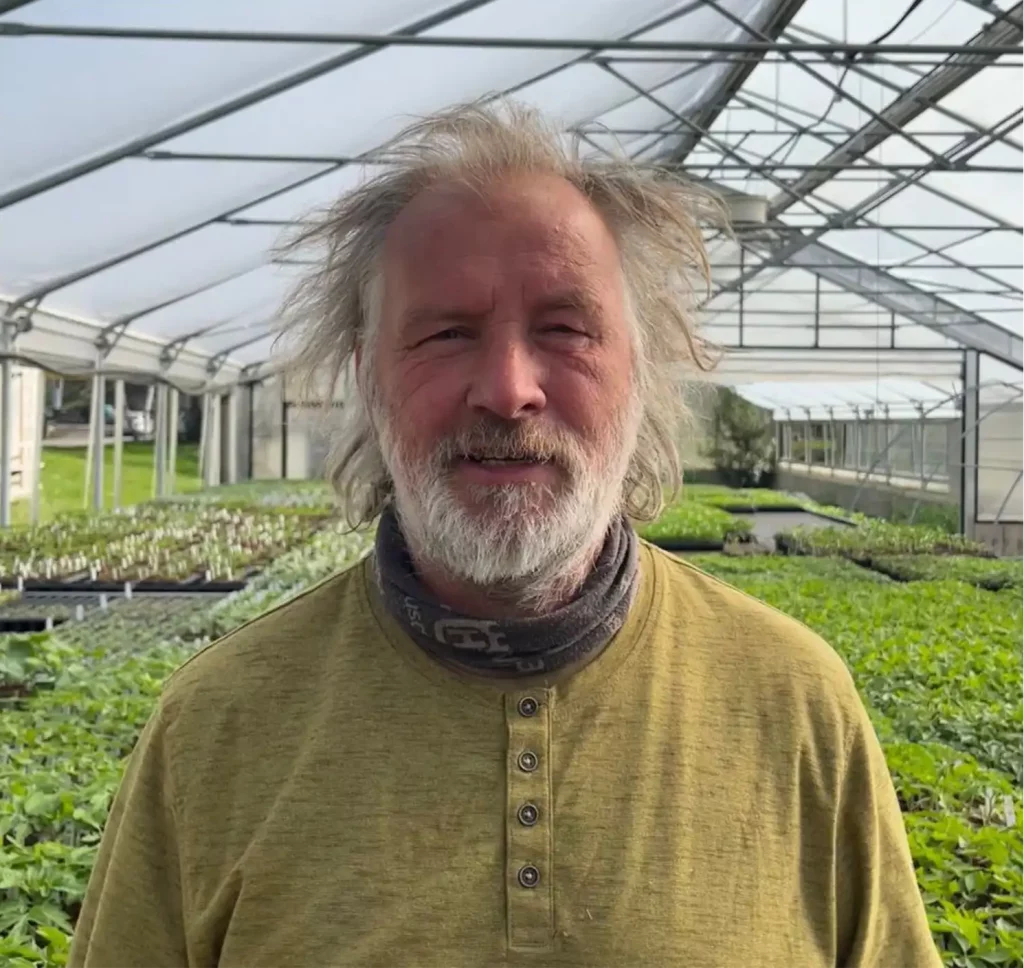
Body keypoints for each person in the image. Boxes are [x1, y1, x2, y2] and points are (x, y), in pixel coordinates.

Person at [69, 102, 941, 968]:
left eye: (565, 329)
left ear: (641, 371)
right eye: (447, 333)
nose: (508, 388)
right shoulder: (217, 725)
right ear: (367, 375)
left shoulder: (793, 702)